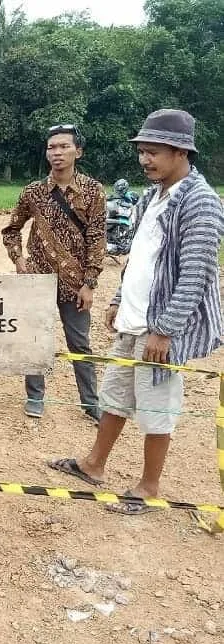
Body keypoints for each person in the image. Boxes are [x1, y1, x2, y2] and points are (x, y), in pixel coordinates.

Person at [49, 109, 224, 514]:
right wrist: (118, 299)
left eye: (154, 153)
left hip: (160, 328)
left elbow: (197, 274)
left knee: (156, 408)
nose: (145, 160)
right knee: (115, 396)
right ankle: (93, 465)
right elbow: (140, 258)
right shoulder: (152, 196)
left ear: (181, 151)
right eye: (142, 152)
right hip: (134, 320)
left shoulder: (200, 202)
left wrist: (165, 330)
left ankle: (149, 487)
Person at [1, 124, 106, 423]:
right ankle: (35, 396)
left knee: (80, 344)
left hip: (75, 285)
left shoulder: (92, 191)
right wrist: (19, 260)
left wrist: (90, 283)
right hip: (37, 280)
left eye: (64, 147)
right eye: (52, 147)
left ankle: (90, 403)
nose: (57, 153)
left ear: (78, 151)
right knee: (35, 340)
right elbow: (11, 230)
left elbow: (97, 237)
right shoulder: (33, 192)